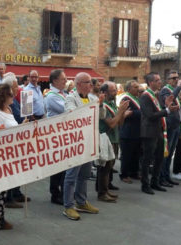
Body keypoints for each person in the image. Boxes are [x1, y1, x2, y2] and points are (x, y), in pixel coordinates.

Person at [63, 72, 99, 221]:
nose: (91, 85)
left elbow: (100, 116)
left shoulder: (92, 98)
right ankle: (68, 206)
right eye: (87, 82)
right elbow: (72, 114)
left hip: (89, 141)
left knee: (85, 175)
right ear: (78, 84)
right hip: (76, 142)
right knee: (71, 175)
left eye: (91, 82)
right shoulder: (70, 98)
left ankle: (82, 202)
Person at [139, 72, 179, 195]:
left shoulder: (155, 95)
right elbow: (150, 115)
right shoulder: (145, 96)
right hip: (149, 132)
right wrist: (167, 110)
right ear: (151, 82)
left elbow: (158, 111)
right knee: (147, 159)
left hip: (159, 131)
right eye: (157, 80)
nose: (160, 82)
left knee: (160, 158)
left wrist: (166, 105)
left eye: (160, 80)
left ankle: (155, 182)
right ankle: (145, 185)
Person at [0, 83, 19, 230]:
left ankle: (0, 216)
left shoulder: (9, 110)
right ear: (3, 97)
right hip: (2, 154)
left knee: (6, 187)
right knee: (0, 188)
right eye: (10, 94)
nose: (13, 97)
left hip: (12, 152)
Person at [97, 82, 130, 202]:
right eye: (112, 91)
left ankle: (105, 190)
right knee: (104, 167)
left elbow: (119, 123)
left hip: (114, 138)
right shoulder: (102, 105)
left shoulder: (112, 103)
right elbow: (111, 123)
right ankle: (101, 193)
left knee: (109, 167)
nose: (115, 92)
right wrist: (121, 111)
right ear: (104, 93)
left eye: (115, 90)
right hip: (105, 138)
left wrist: (122, 112)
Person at [1, 73, 30, 208]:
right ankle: (9, 197)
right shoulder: (3, 106)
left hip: (19, 135)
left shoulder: (16, 101)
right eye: (15, 86)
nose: (17, 88)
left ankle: (16, 193)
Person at [44, 69, 67, 205]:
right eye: (63, 79)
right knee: (58, 166)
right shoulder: (52, 96)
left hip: (63, 134)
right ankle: (55, 193)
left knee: (63, 165)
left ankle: (62, 191)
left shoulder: (63, 93)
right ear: (55, 81)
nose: (65, 81)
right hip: (55, 135)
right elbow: (67, 110)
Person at [158, 71, 181, 187]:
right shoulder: (165, 91)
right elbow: (169, 102)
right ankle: (162, 177)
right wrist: (179, 87)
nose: (176, 80)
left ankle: (167, 176)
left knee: (171, 152)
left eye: (177, 77)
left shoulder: (171, 90)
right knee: (166, 153)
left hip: (176, 126)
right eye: (173, 78)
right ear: (168, 80)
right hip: (170, 125)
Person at [119, 80, 141, 183]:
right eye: (135, 87)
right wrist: (140, 112)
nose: (138, 89)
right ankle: (124, 174)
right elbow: (127, 114)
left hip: (137, 131)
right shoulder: (126, 99)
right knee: (127, 155)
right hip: (128, 132)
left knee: (136, 154)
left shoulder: (137, 98)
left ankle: (134, 172)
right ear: (129, 89)